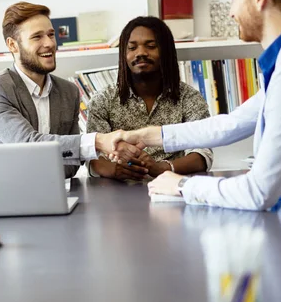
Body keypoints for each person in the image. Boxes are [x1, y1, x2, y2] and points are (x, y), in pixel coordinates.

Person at [110, 0, 281, 210]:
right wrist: (146, 135)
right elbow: (230, 124)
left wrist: (181, 185)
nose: (231, 12)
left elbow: (259, 192)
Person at [0, 1, 141, 178]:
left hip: (57, 192)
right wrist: (98, 141)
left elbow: (71, 167)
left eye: (51, 34)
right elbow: (26, 143)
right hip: (4, 194)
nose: (50, 43)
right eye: (37, 37)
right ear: (12, 45)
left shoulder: (69, 92)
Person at [87, 16, 213, 181]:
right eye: (132, 48)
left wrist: (162, 168)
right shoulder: (102, 100)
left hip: (173, 187)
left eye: (151, 46)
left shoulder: (189, 97)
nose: (141, 53)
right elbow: (92, 155)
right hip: (118, 191)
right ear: (124, 55)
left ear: (166, 51)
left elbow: (202, 154)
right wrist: (115, 170)